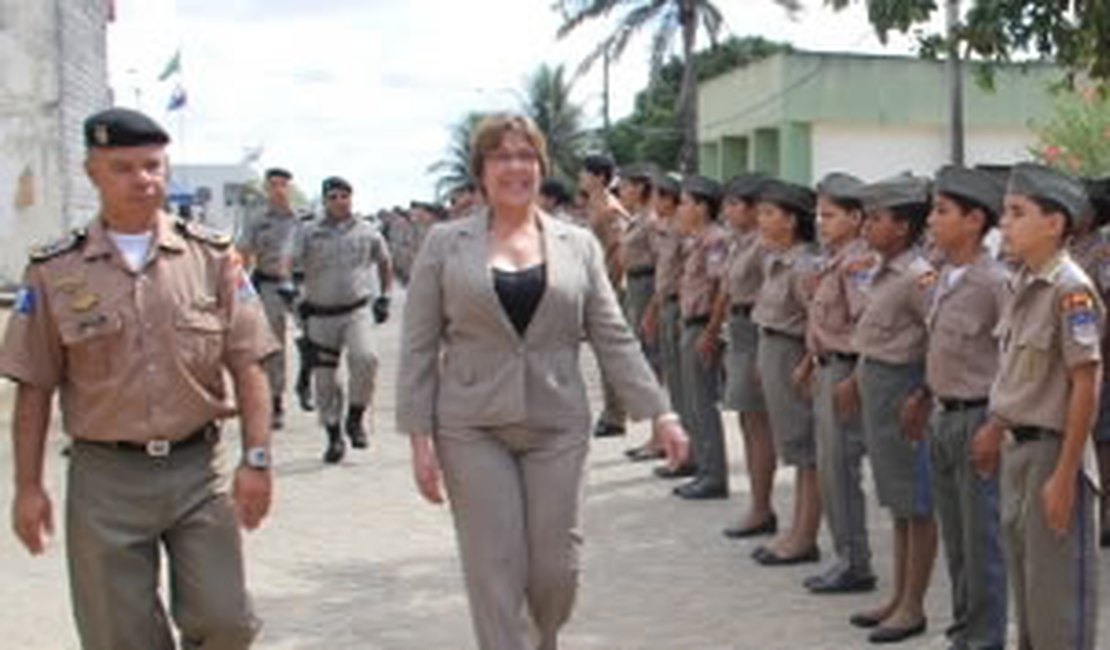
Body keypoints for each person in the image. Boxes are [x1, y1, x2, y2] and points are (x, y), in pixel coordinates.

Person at [396, 113, 688, 650]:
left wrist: (660, 411)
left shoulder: (577, 244)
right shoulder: (444, 243)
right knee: (495, 567)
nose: (515, 167)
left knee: (558, 570)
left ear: (542, 166)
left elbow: (612, 334)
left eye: (526, 156)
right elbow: (416, 347)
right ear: (481, 170)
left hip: (557, 425)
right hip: (472, 426)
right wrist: (420, 441)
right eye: (502, 156)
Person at [0, 107, 277, 650]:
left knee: (226, 622)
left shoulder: (211, 257)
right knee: (119, 637)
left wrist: (257, 459)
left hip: (198, 470)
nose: (142, 179)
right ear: (92, 172)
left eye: (152, 165)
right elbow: (34, 388)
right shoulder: (56, 270)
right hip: (107, 478)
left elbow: (248, 365)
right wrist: (28, 488)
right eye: (123, 167)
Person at [983, 162, 1101, 650]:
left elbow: (1086, 383)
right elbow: (1017, 376)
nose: (1004, 223)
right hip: (1019, 451)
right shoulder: (1021, 282)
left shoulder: (1071, 289)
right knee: (1030, 600)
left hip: (1054, 454)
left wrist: (1065, 473)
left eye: (1017, 212)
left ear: (1054, 223)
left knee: (1058, 608)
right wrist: (996, 427)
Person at [905, 165, 1010, 650]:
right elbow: (940, 347)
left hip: (979, 418)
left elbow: (1012, 362)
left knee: (982, 538)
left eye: (942, 212)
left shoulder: (995, 283)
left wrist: (997, 424)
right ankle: (964, 628)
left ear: (974, 221)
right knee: (956, 536)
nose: (931, 220)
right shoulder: (945, 277)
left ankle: (986, 636)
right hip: (944, 415)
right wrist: (924, 396)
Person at [846, 174, 938, 644]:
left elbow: (939, 339)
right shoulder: (883, 270)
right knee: (898, 502)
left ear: (902, 227)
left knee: (917, 503)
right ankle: (899, 596)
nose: (867, 226)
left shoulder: (917, 276)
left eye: (877, 218)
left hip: (904, 393)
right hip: (879, 388)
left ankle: (913, 606)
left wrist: (923, 395)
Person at [801, 172, 877, 592]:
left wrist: (855, 375)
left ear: (855, 218)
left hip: (847, 370)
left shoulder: (858, 264)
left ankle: (855, 563)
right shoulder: (834, 259)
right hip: (827, 366)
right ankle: (845, 556)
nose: (820, 222)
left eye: (829, 215)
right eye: (818, 214)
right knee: (830, 468)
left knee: (841, 469)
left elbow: (867, 325)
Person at [748, 179, 823, 565]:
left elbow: (817, 319)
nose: (760, 219)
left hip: (793, 355)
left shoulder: (805, 264)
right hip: (773, 348)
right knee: (794, 448)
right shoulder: (775, 258)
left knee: (807, 451)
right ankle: (795, 529)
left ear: (792, 220)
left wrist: (807, 364)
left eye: (769, 213)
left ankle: (805, 535)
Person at [292, 176, 393, 463]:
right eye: (333, 197)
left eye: (344, 196)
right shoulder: (309, 232)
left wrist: (384, 296)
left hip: (356, 310)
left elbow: (385, 262)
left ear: (352, 197)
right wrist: (295, 295)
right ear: (325, 201)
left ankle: (356, 416)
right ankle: (334, 435)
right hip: (320, 313)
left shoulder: (368, 231)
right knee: (325, 381)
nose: (339, 201)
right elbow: (292, 264)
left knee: (366, 359)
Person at [711, 174, 779, 538]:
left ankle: (762, 506)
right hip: (738, 330)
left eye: (736, 204)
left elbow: (768, 295)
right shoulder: (740, 242)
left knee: (759, 424)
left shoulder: (764, 246)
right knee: (747, 422)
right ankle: (758, 502)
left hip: (754, 330)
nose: (728, 210)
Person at [673, 175, 731, 500]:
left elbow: (722, 289)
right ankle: (704, 468)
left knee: (703, 402)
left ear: (701, 206)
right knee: (694, 402)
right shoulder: (696, 239)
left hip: (702, 325)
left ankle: (714, 475)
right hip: (691, 323)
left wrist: (711, 332)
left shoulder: (714, 241)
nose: (681, 209)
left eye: (685, 202)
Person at [236, 166, 301, 429]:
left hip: (300, 285)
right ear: (266, 188)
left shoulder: (303, 219)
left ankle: (314, 386)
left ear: (289, 188)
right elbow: (243, 254)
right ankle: (275, 399)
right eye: (272, 184)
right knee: (274, 344)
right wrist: (241, 291)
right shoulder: (257, 220)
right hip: (270, 286)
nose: (277, 189)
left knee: (319, 338)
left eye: (282, 184)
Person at [580, 152, 631, 437]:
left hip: (612, 288)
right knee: (603, 355)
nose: (581, 178)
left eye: (586, 173)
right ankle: (612, 412)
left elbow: (618, 251)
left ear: (599, 177)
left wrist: (608, 288)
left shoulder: (610, 209)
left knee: (612, 353)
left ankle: (616, 414)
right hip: (601, 286)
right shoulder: (596, 205)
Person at [1071, 175, 1110, 547]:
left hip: (1100, 359)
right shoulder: (1069, 250)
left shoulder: (1102, 253)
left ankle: (1105, 516)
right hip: (1076, 358)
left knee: (1103, 441)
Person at [617, 162, 663, 460]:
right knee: (648, 363)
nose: (621, 191)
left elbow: (663, 266)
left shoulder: (651, 221)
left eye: (625, 185)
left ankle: (660, 437)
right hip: (635, 286)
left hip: (648, 287)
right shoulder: (638, 218)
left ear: (639, 187)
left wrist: (652, 308)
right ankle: (655, 435)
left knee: (654, 367)